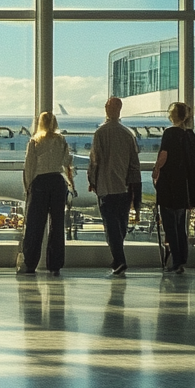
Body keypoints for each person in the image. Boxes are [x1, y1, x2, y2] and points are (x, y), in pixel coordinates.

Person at [87, 97, 142, 277]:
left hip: (105, 186)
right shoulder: (128, 135)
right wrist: (135, 190)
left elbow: (95, 160)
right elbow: (134, 164)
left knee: (110, 225)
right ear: (120, 109)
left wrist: (92, 181)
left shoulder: (100, 133)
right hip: (124, 187)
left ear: (106, 109)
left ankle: (119, 260)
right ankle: (118, 259)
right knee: (121, 225)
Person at [19, 111, 75, 277]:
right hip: (57, 182)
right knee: (57, 225)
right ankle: (55, 264)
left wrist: (28, 187)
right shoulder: (61, 140)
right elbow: (67, 162)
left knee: (35, 225)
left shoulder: (35, 141)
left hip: (40, 183)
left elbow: (29, 166)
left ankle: (30, 263)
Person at [152, 102, 195, 274]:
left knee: (170, 226)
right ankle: (181, 260)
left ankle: (175, 260)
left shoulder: (170, 133)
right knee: (181, 226)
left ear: (173, 115)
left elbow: (164, 156)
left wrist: (156, 170)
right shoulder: (190, 136)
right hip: (185, 188)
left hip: (169, 185)